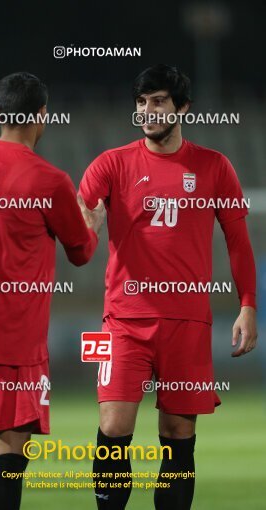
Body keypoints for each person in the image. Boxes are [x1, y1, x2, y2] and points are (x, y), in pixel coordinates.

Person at [78, 64, 257, 510]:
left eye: (158, 101)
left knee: (178, 434)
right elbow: (84, 221)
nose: (147, 110)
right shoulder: (111, 163)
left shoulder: (215, 167)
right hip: (121, 320)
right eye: (141, 102)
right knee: (113, 425)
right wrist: (90, 227)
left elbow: (238, 242)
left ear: (183, 107)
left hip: (188, 323)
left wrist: (248, 305)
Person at [0, 71, 105, 510]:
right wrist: (93, 225)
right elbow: (81, 253)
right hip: (15, 340)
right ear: (42, 116)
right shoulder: (49, 180)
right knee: (10, 453)